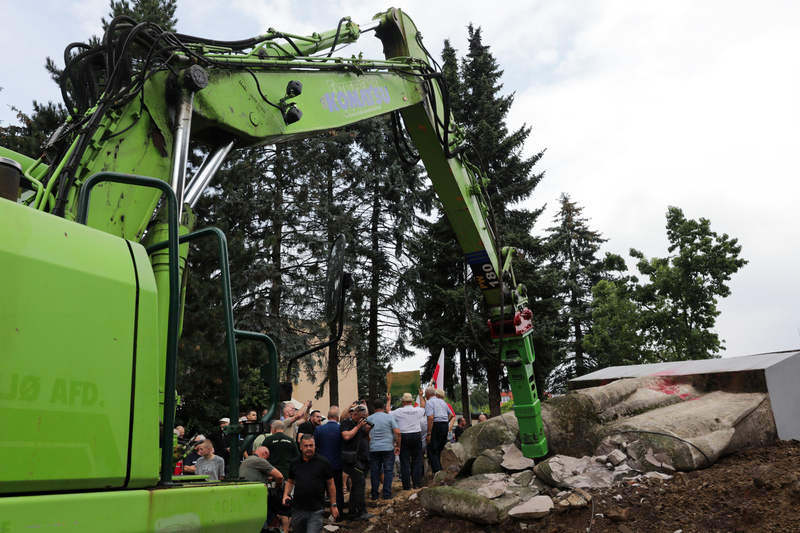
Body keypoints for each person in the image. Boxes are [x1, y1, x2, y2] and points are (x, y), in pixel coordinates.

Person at [283, 434, 338, 533]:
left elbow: (331, 484)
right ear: (300, 447)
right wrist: (285, 495)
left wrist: (333, 505)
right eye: (306, 446)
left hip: (316, 510)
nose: (309, 448)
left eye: (311, 445)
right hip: (298, 509)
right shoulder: (294, 463)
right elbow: (290, 481)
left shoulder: (323, 462)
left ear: (315, 446)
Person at [258, 420, 299, 533]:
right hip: (287, 477)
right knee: (285, 505)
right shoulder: (290, 441)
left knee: (273, 505)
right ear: (283, 429)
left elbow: (261, 457)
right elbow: (297, 458)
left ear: (273, 429)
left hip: (272, 477)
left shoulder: (268, 440)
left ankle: (275, 530)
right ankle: (286, 531)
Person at [340, 404, 374, 522]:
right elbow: (347, 436)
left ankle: (352, 514)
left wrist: (367, 432)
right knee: (360, 486)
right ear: (355, 414)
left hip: (363, 460)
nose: (363, 420)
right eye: (362, 417)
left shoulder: (360, 426)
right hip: (353, 461)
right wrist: (359, 426)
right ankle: (362, 512)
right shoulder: (346, 424)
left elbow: (367, 441)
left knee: (355, 488)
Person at [389, 392, 426, 490]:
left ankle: (406, 486)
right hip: (416, 435)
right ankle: (417, 484)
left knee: (404, 462)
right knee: (417, 461)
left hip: (404, 436)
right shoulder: (417, 410)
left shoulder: (399, 411)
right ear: (411, 402)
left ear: (403, 402)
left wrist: (388, 400)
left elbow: (388, 412)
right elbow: (423, 407)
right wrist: (421, 396)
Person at [367, 398, 400, 500]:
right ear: (383, 407)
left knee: (374, 471)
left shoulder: (369, 419)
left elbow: (365, 434)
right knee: (388, 471)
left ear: (373, 408)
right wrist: (398, 445)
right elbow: (397, 432)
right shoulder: (389, 418)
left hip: (373, 448)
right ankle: (386, 494)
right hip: (387, 448)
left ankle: (375, 494)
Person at [314, 407, 344, 520]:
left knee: (320, 490)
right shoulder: (341, 429)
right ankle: (339, 515)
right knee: (338, 490)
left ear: (327, 417)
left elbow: (315, 446)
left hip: (322, 464)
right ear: (337, 417)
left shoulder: (319, 430)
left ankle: (319, 515)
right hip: (337, 464)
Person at [424, 386, 452, 474]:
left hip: (436, 425)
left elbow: (430, 418)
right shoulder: (443, 402)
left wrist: (429, 433)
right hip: (444, 425)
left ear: (427, 394)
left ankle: (437, 472)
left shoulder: (429, 403)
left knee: (432, 450)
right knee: (441, 449)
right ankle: (442, 469)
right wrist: (445, 422)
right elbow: (451, 414)